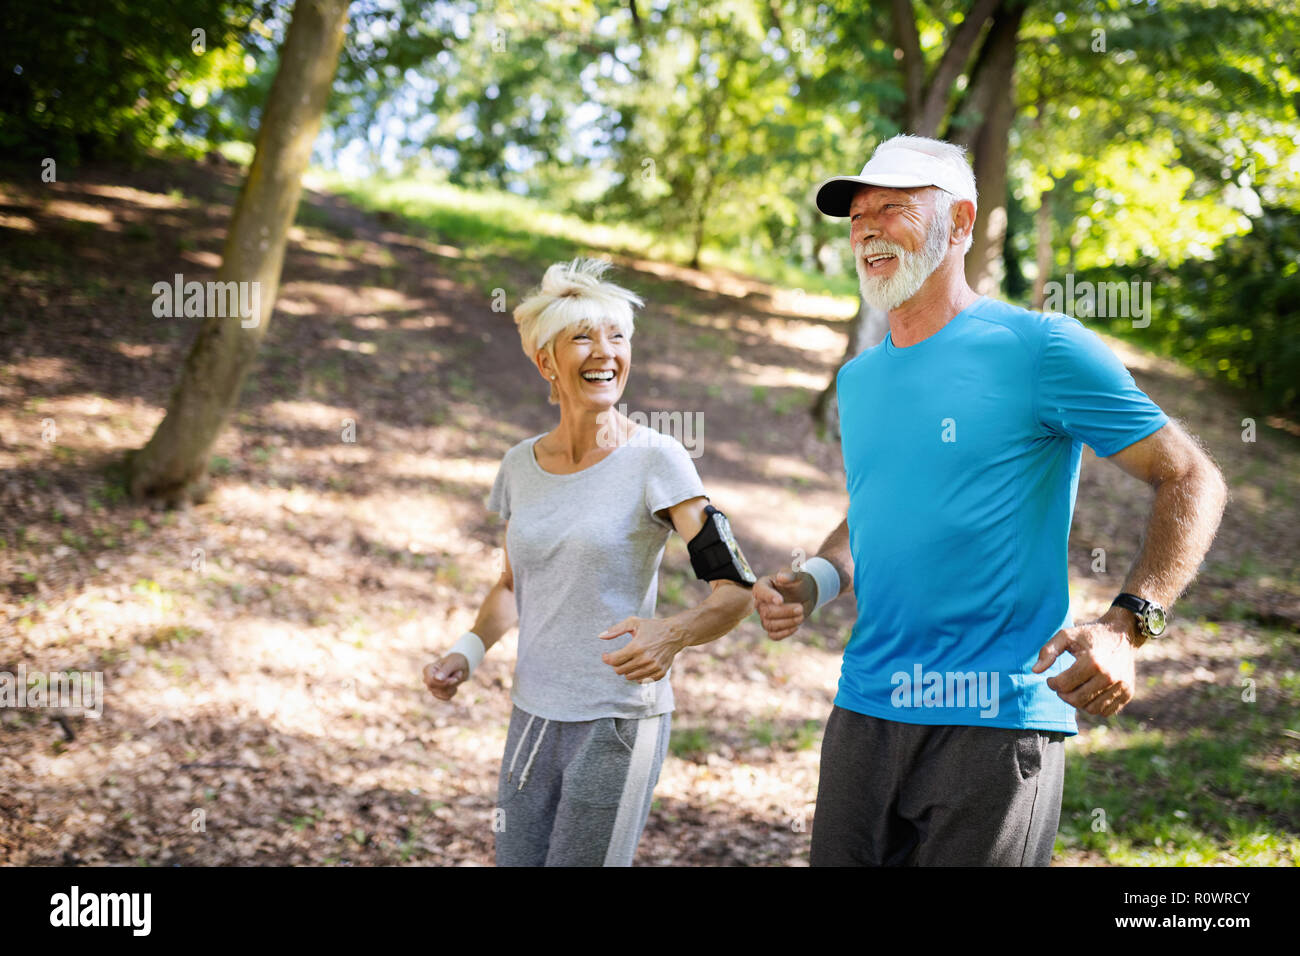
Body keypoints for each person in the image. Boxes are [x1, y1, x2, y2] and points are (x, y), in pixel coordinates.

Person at [754, 135, 1227, 866]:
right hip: (865, 710)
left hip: (993, 720)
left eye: (892, 208)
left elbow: (1191, 475)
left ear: (962, 221)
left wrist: (1127, 626)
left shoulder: (1039, 348)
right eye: (856, 216)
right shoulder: (860, 379)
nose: (867, 228)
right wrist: (814, 581)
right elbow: (877, 510)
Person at [423, 258, 755, 867]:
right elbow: (511, 584)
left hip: (617, 720)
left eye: (618, 336)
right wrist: (466, 652)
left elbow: (734, 588)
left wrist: (672, 634)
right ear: (546, 361)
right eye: (582, 336)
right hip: (533, 713)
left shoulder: (659, 459)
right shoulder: (519, 466)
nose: (605, 351)